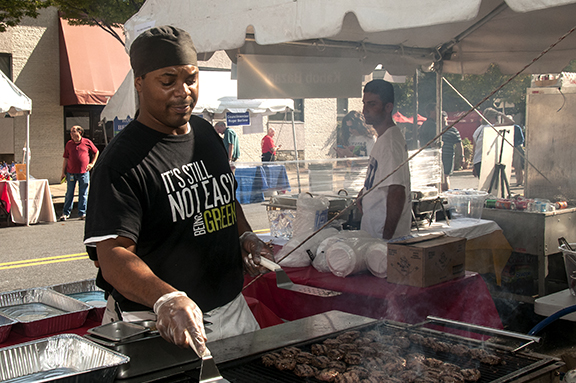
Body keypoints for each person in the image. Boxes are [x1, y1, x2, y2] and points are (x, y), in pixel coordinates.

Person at [83, 26, 272, 355]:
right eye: (167, 81)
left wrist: (244, 235)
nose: (183, 92)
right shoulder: (121, 163)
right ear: (139, 83)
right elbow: (112, 255)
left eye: (191, 79)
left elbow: (223, 196)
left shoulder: (205, 133)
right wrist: (166, 297)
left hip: (231, 312)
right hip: (158, 324)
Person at [357, 80, 412, 240]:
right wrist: (365, 192)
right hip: (373, 232)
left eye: (372, 104)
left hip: (383, 237)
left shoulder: (390, 142)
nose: (365, 110)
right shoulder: (383, 138)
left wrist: (387, 239)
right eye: (364, 103)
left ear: (388, 107)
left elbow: (396, 191)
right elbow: (383, 180)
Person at [60, 125, 99, 221]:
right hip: (71, 172)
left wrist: (92, 164)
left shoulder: (87, 142)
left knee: (83, 193)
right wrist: (63, 172)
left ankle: (82, 213)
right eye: (71, 131)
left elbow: (96, 152)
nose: (71, 133)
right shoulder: (69, 144)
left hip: (84, 172)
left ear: (79, 132)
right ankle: (66, 213)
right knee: (69, 193)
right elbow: (65, 158)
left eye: (73, 131)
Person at [334, 111, 377, 194]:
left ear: (360, 125)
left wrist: (351, 155)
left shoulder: (370, 138)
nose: (350, 130)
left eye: (352, 127)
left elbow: (371, 161)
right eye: (348, 128)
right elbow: (347, 164)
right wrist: (342, 157)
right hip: (349, 180)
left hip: (363, 181)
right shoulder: (350, 138)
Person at [472, 107, 500, 178]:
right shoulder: (491, 127)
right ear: (492, 117)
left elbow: (474, 148)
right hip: (486, 160)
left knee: (483, 185)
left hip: (477, 160)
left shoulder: (478, 130)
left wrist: (473, 164)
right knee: (490, 185)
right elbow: (511, 123)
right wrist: (501, 115)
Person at [440, 111, 464, 191]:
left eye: (443, 118)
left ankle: (446, 193)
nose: (442, 120)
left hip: (448, 156)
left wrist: (461, 157)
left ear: (446, 118)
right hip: (438, 156)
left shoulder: (453, 130)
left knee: (445, 176)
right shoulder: (435, 129)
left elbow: (459, 144)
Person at [507, 115, 525, 186]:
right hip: (508, 148)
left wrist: (516, 145)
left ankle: (519, 181)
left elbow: (521, 139)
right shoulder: (506, 128)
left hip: (516, 148)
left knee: (518, 165)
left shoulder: (516, 128)